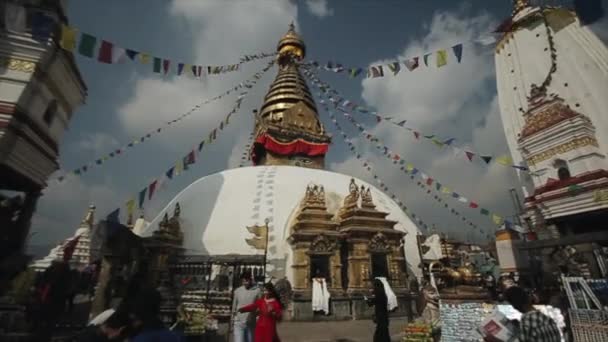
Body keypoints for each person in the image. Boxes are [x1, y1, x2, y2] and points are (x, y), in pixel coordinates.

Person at [231, 273, 260, 342]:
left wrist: (257, 318)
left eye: (247, 281)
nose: (245, 283)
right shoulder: (237, 291)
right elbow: (234, 306)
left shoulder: (257, 291)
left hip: (251, 323)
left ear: (251, 280)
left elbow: (259, 306)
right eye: (243, 281)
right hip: (238, 322)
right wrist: (232, 319)